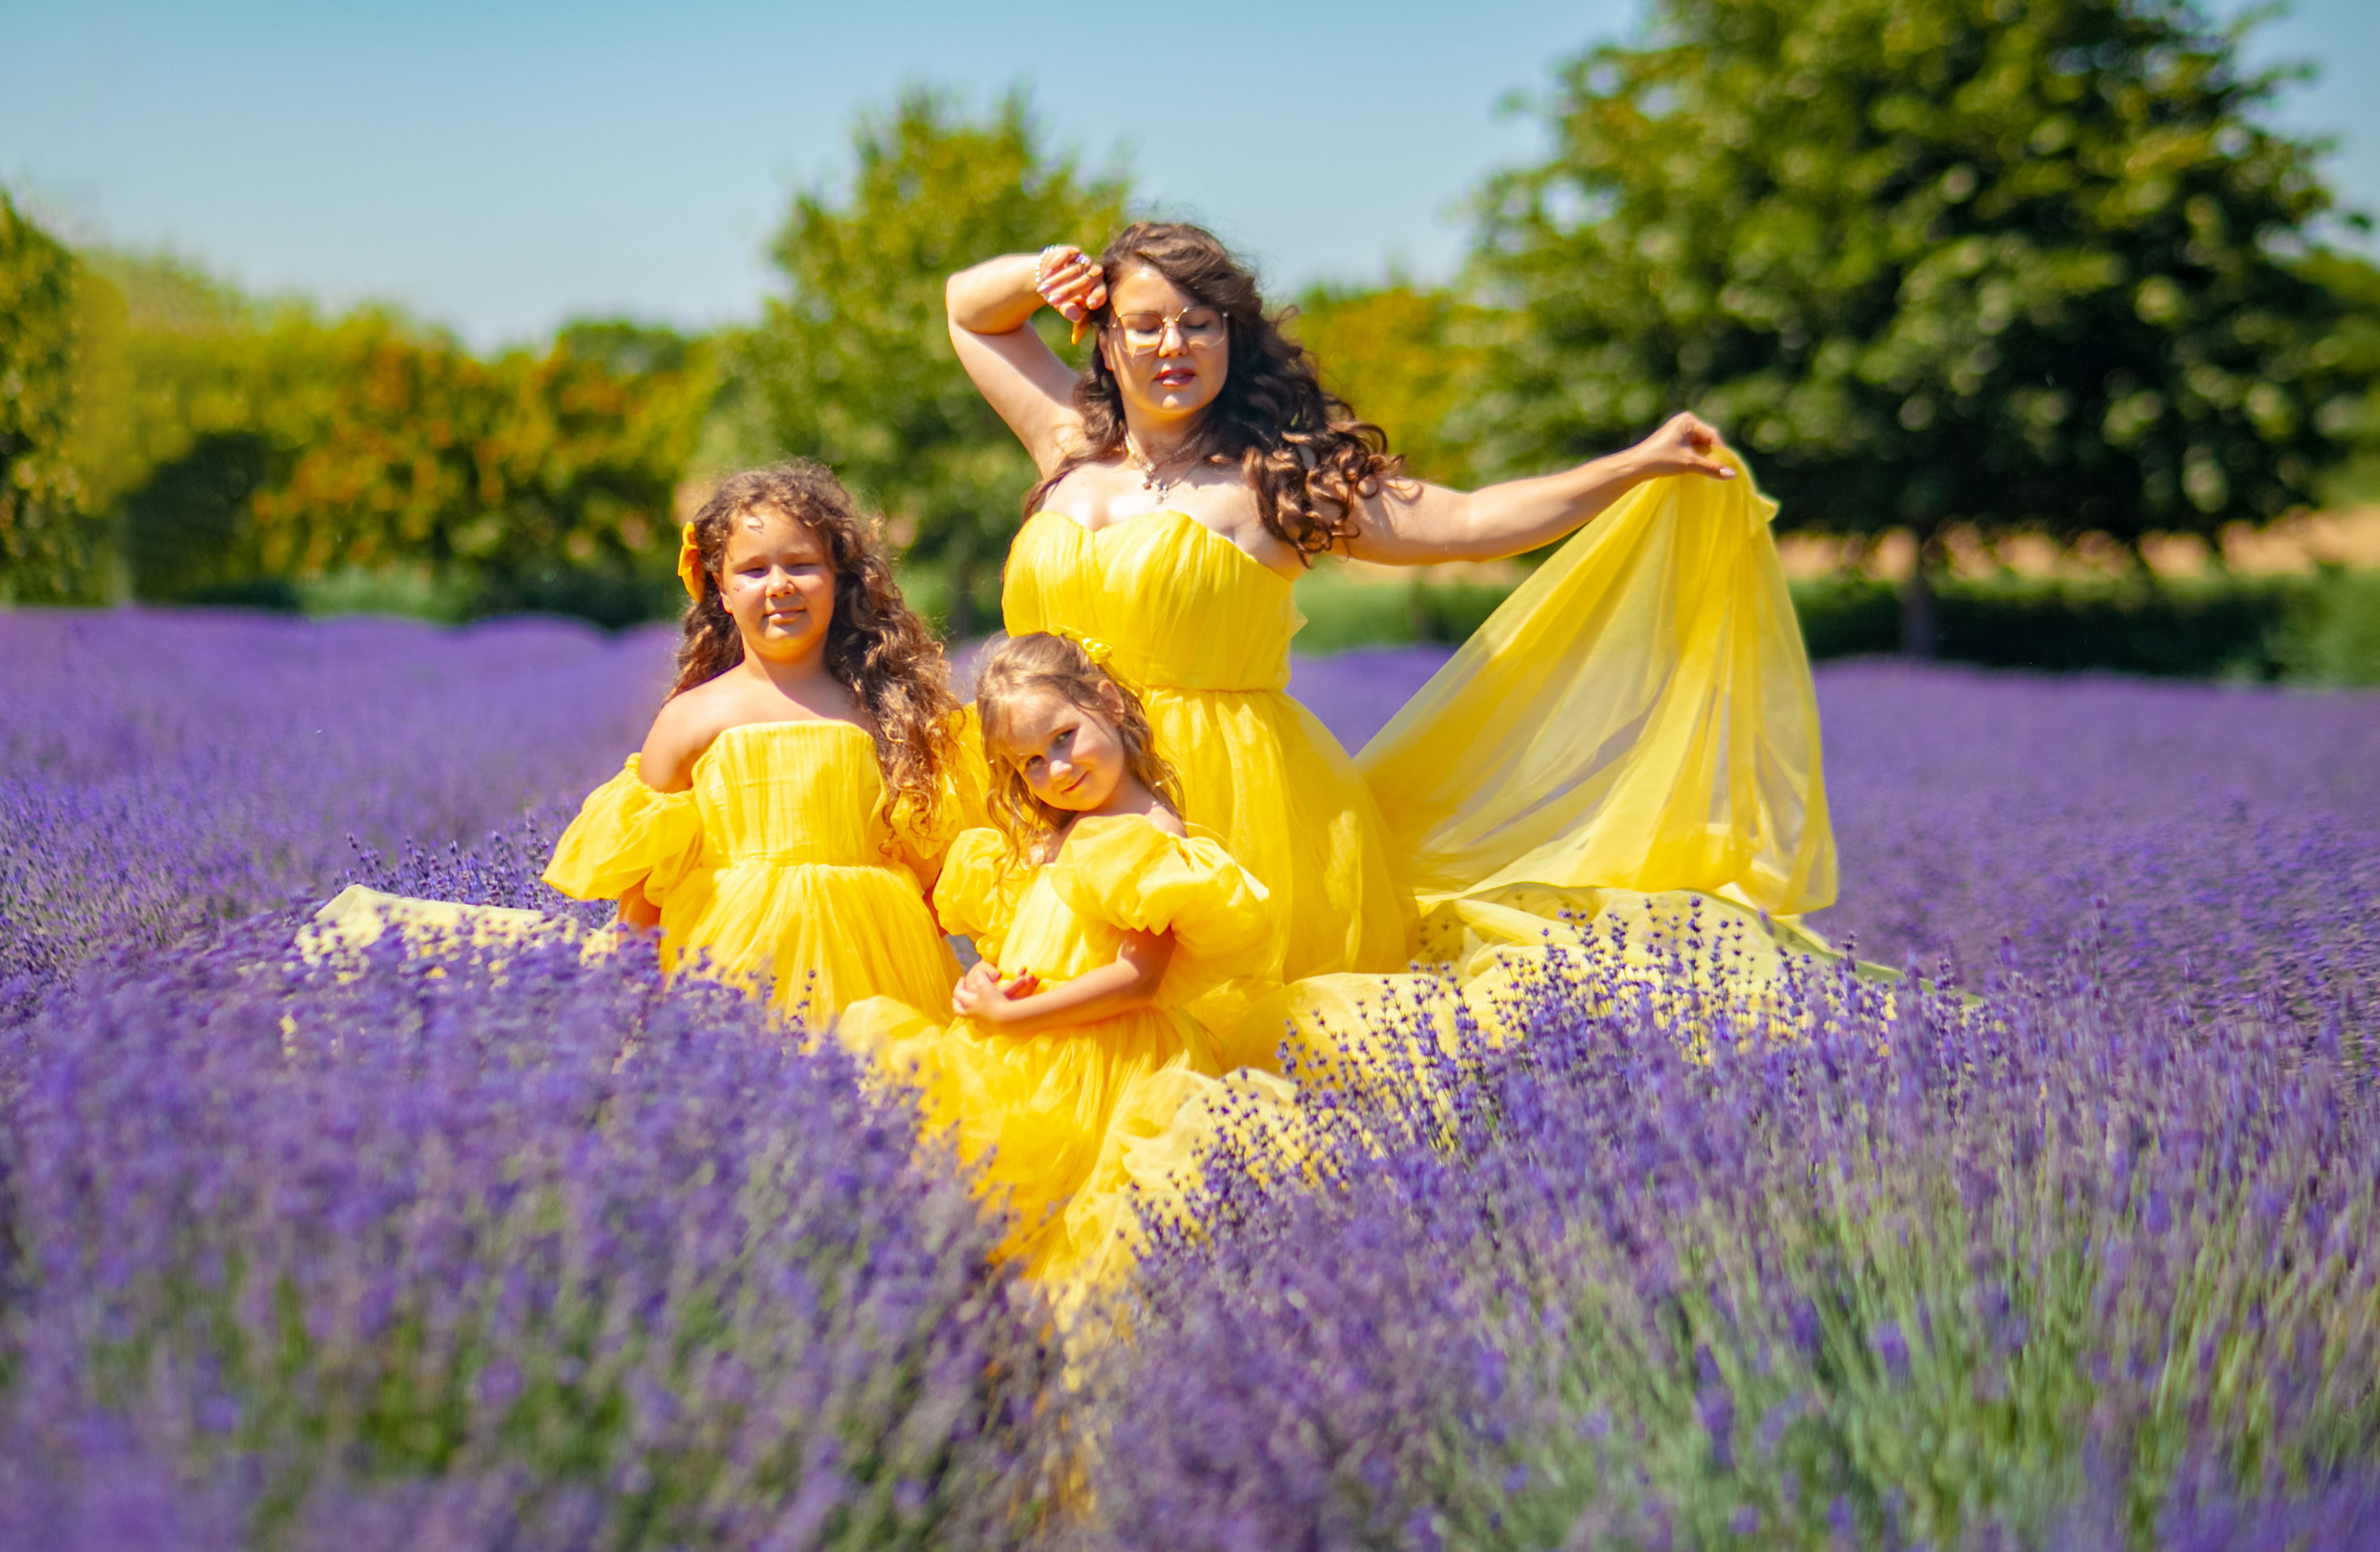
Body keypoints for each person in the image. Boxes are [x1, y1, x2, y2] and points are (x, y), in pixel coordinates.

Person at [943, 223, 1838, 1055]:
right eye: (1144, 325)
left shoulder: (1281, 478)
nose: (1173, 345)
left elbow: (1477, 519)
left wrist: (1633, 463)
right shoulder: (1065, 439)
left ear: (1233, 338)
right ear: (1103, 336)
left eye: (1200, 323)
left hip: (1230, 809)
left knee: (1212, 1053)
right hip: (1055, 788)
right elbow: (968, 313)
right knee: (1058, 1034)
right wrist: (1040, 273)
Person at [837, 631, 1280, 1294]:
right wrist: (985, 979)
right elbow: (1025, 945)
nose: (1057, 769)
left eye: (1065, 737)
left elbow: (1140, 978)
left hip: (1105, 1064)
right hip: (1024, 1049)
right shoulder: (1056, 835)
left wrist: (1018, 1015)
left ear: (1108, 701)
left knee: (1080, 1242)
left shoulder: (1149, 834)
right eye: (1032, 763)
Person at [541, 460, 976, 1025]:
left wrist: (889, 924)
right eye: (751, 570)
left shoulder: (886, 711)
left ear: (839, 580)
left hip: (875, 969)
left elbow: (938, 871)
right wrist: (631, 1000)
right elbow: (644, 889)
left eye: (802, 564)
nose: (779, 585)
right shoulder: (691, 718)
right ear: (720, 590)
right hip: (730, 960)